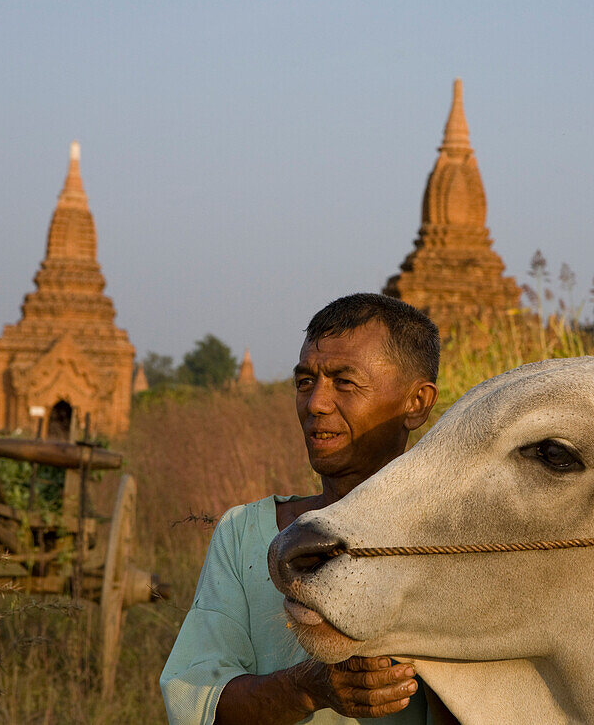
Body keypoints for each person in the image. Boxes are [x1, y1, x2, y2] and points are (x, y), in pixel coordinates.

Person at [161, 293, 444, 725]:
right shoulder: (245, 534)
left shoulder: (452, 541)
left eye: (344, 382)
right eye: (305, 381)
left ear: (416, 403)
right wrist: (309, 688)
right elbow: (195, 701)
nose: (315, 403)